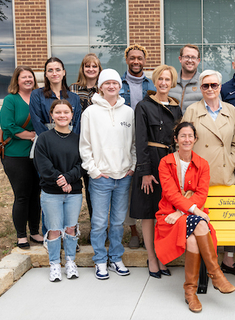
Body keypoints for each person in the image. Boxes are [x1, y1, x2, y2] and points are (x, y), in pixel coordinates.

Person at [154, 122, 235, 313]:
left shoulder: (202, 164)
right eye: (182, 136)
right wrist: (188, 210)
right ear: (176, 139)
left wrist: (183, 211)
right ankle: (215, 274)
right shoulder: (165, 163)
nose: (187, 140)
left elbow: (201, 194)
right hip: (169, 216)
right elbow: (170, 193)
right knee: (200, 225)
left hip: (185, 215)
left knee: (194, 237)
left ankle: (190, 291)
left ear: (195, 139)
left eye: (190, 136)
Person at [182, 70, 235, 277]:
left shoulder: (231, 110)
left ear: (220, 87)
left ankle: (228, 260)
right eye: (205, 86)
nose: (210, 89)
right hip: (200, 175)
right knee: (203, 218)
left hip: (225, 173)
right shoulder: (192, 110)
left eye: (214, 85)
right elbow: (184, 142)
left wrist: (233, 163)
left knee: (229, 216)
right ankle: (205, 262)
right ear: (200, 88)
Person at [80, 69, 136, 280]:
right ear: (101, 87)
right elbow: (85, 146)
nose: (111, 86)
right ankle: (100, 260)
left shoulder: (128, 112)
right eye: (107, 83)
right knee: (99, 222)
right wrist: (94, 171)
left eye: (115, 83)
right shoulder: (90, 113)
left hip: (123, 176)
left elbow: (133, 143)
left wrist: (133, 165)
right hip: (101, 177)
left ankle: (115, 258)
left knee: (118, 221)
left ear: (120, 87)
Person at [129, 65, 182, 278]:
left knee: (165, 213)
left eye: (167, 79)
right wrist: (145, 171)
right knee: (149, 213)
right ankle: (152, 257)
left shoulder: (177, 109)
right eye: (160, 79)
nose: (163, 83)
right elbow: (140, 140)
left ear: (172, 82)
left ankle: (162, 256)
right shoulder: (143, 106)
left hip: (169, 163)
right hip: (150, 162)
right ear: (155, 81)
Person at [33, 100, 82, 282]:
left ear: (72, 115)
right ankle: (54, 263)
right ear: (52, 115)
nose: (62, 116)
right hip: (51, 193)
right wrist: (62, 181)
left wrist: (69, 179)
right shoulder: (44, 138)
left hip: (74, 192)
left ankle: (70, 262)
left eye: (66, 112)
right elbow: (43, 165)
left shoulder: (78, 139)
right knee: (54, 229)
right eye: (58, 112)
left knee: (70, 228)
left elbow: (82, 164)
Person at [0, 66, 42, 249]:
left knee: (36, 196)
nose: (27, 80)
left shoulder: (39, 97)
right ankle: (21, 235)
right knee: (22, 195)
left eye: (30, 77)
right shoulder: (11, 100)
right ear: (17, 80)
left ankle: (34, 232)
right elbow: (7, 125)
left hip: (38, 155)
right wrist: (31, 135)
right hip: (16, 155)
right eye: (23, 77)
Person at [120, 44, 156, 248]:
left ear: (144, 60)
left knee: (148, 183)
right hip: (124, 138)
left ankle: (150, 230)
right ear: (127, 60)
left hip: (146, 139)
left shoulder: (151, 85)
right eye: (132, 58)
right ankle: (133, 231)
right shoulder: (118, 83)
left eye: (139, 58)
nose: (136, 61)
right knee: (129, 186)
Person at [70, 53, 103, 219]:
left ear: (99, 69)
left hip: (96, 145)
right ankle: (71, 227)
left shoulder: (104, 89)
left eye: (94, 66)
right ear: (82, 69)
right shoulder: (73, 89)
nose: (91, 69)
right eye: (87, 66)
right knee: (74, 187)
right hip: (75, 143)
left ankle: (96, 226)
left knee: (93, 188)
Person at [29, 57, 82, 136]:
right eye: (50, 70)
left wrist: (71, 140)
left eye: (58, 70)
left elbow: (77, 124)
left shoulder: (74, 97)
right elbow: (37, 122)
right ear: (46, 74)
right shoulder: (37, 95)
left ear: (63, 72)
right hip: (45, 140)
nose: (54, 73)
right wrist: (51, 140)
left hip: (70, 140)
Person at [168, 44, 203, 112]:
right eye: (186, 57)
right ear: (180, 59)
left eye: (193, 57)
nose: (190, 60)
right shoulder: (170, 81)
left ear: (198, 61)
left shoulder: (205, 83)